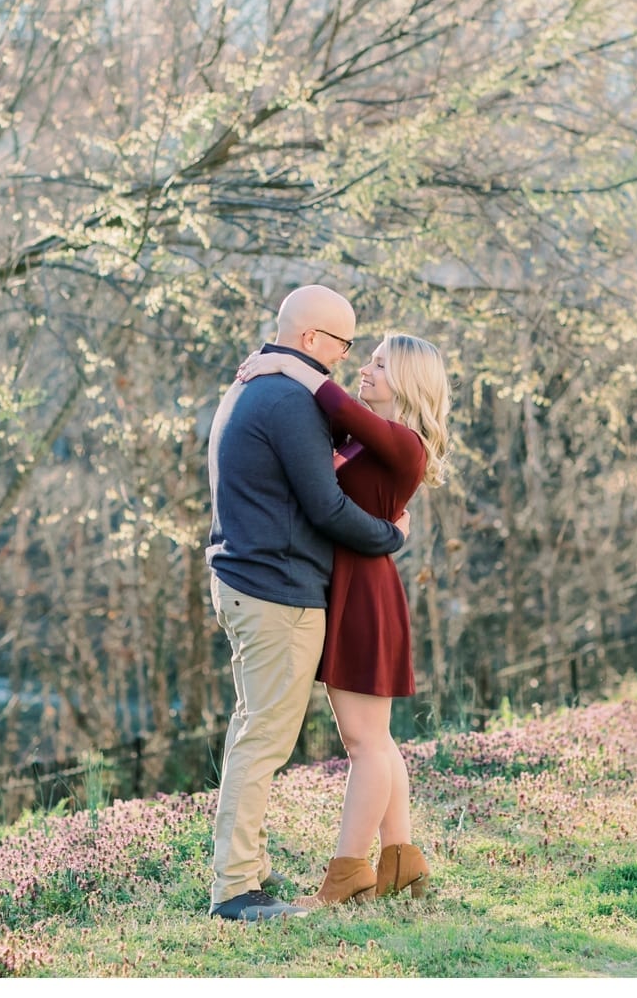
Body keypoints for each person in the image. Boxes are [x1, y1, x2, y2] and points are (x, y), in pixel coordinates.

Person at [205, 284, 412, 923]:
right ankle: (237, 892)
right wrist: (391, 536)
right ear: (313, 340)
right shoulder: (289, 400)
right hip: (276, 593)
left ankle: (255, 873)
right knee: (262, 739)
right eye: (345, 347)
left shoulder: (250, 386)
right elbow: (326, 507)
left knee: (258, 730)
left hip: (248, 579)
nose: (348, 361)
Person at [235, 330, 451, 907]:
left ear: (406, 382)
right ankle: (400, 861)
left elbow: (331, 401)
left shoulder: (405, 443)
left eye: (380, 365)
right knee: (375, 741)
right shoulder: (365, 440)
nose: (366, 371)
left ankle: (347, 876)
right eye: (369, 362)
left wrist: (281, 363)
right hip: (353, 589)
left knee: (364, 744)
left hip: (365, 597)